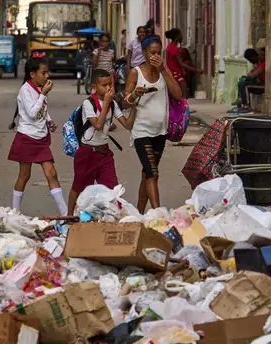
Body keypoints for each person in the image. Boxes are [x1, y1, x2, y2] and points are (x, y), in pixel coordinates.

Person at [67, 69, 138, 215]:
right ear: (94, 86)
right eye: (103, 85)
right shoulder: (89, 103)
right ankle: (69, 216)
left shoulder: (112, 104)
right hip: (87, 152)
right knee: (79, 187)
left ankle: (113, 216)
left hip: (104, 153)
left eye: (109, 85)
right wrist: (106, 102)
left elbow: (127, 125)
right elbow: (98, 125)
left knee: (112, 189)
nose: (107, 88)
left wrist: (136, 105)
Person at [124, 35, 182, 212]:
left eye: (158, 53)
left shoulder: (164, 72)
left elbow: (178, 94)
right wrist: (136, 94)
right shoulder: (136, 73)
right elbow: (125, 102)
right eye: (152, 53)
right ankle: (159, 212)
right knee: (153, 174)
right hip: (142, 131)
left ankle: (140, 213)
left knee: (147, 173)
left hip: (160, 131)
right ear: (144, 53)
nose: (155, 56)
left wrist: (164, 70)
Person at [8, 58, 67, 215]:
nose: (47, 76)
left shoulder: (39, 89)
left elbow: (42, 111)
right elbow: (33, 113)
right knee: (24, 175)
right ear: (32, 74)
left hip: (40, 137)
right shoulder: (26, 90)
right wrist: (43, 94)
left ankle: (65, 212)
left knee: (51, 173)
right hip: (27, 137)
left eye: (47, 72)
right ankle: (15, 211)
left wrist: (49, 120)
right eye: (43, 73)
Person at [165, 28, 203, 98]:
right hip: (177, 75)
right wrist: (196, 70)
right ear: (177, 36)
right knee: (183, 96)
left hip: (174, 74)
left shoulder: (170, 47)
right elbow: (181, 64)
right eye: (181, 34)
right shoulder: (174, 49)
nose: (182, 36)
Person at [228, 47, 265, 114]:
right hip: (260, 83)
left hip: (264, 86)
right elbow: (253, 73)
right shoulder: (259, 63)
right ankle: (241, 101)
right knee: (242, 82)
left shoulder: (264, 64)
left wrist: (251, 75)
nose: (260, 56)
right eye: (260, 54)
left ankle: (247, 106)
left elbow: (254, 74)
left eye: (262, 55)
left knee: (246, 86)